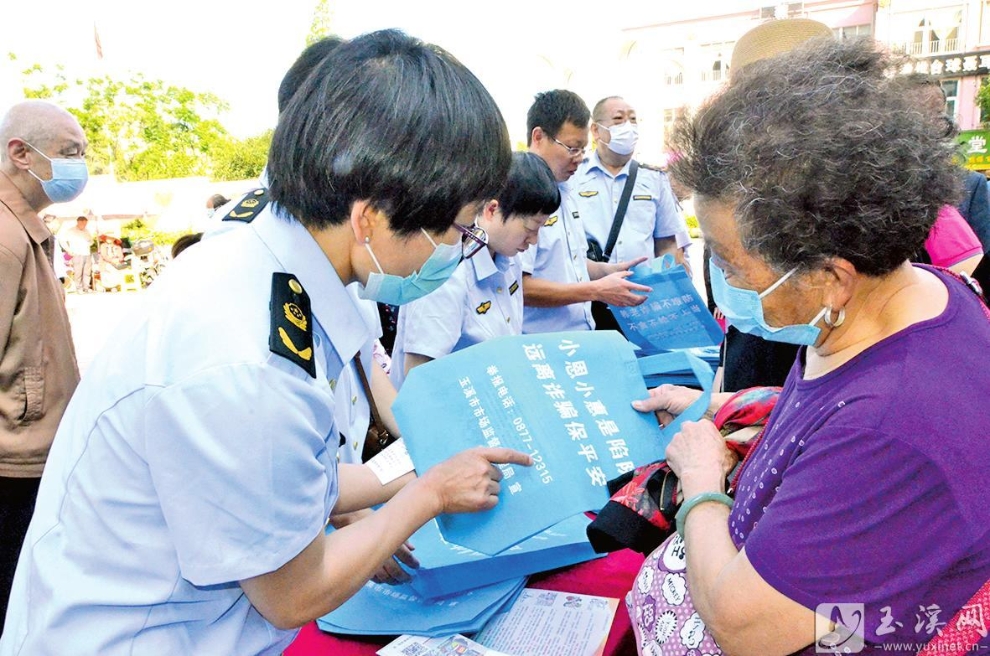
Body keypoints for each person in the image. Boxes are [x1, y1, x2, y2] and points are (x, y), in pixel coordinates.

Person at [1, 30, 532, 655]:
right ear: (371, 216)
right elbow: (293, 594)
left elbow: (293, 480)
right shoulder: (250, 358)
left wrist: (407, 472)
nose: (454, 249)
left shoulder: (273, 241)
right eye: (456, 228)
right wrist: (428, 494)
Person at [628, 37, 990, 655]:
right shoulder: (914, 294)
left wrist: (702, 482)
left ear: (830, 275)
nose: (720, 282)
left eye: (729, 263)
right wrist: (724, 410)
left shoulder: (889, 425)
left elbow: (747, 629)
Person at [0, 100, 87, 638]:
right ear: (19, 154)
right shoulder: (5, 238)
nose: (80, 166)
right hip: (11, 462)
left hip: (30, 452)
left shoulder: (24, 229)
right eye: (69, 153)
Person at [391, 151, 560, 389]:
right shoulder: (446, 274)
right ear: (492, 210)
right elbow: (420, 376)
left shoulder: (510, 259)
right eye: (531, 227)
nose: (533, 240)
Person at [521, 90, 650, 335]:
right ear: (538, 137)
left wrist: (607, 271)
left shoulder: (566, 189)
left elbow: (568, 262)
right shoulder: (520, 194)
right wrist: (596, 290)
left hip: (579, 338)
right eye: (572, 148)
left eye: (583, 150)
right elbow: (519, 287)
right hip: (541, 344)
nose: (579, 159)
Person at [572, 95, 689, 331]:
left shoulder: (654, 179)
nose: (628, 127)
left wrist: (670, 293)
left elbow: (667, 244)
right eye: (618, 120)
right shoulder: (574, 178)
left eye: (633, 120)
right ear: (596, 130)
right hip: (590, 300)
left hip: (643, 301)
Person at [59, 215, 93, 293]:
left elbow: (91, 241)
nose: (84, 225)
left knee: (87, 271)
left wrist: (88, 243)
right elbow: (62, 241)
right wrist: (68, 250)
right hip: (77, 253)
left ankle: (86, 287)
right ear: (78, 222)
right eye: (83, 223)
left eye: (85, 224)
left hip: (86, 253)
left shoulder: (87, 231)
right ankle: (78, 287)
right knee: (78, 271)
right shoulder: (71, 231)